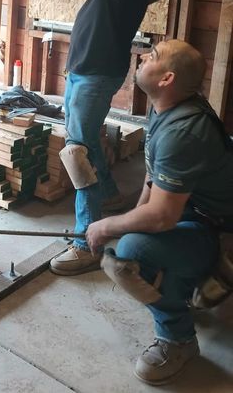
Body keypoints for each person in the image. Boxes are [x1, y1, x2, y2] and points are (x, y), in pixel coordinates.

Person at [0, 0, 150, 274]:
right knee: (87, 140)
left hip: (96, 74)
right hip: (86, 71)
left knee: (77, 151)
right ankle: (107, 196)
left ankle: (86, 243)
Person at [86, 39, 233, 385]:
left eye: (151, 56)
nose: (141, 57)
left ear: (166, 78)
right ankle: (189, 283)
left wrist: (107, 227)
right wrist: (129, 221)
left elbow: (163, 217)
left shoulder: (183, 132)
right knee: (134, 236)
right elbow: (153, 176)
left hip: (220, 228)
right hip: (197, 209)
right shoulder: (163, 106)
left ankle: (178, 339)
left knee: (132, 255)